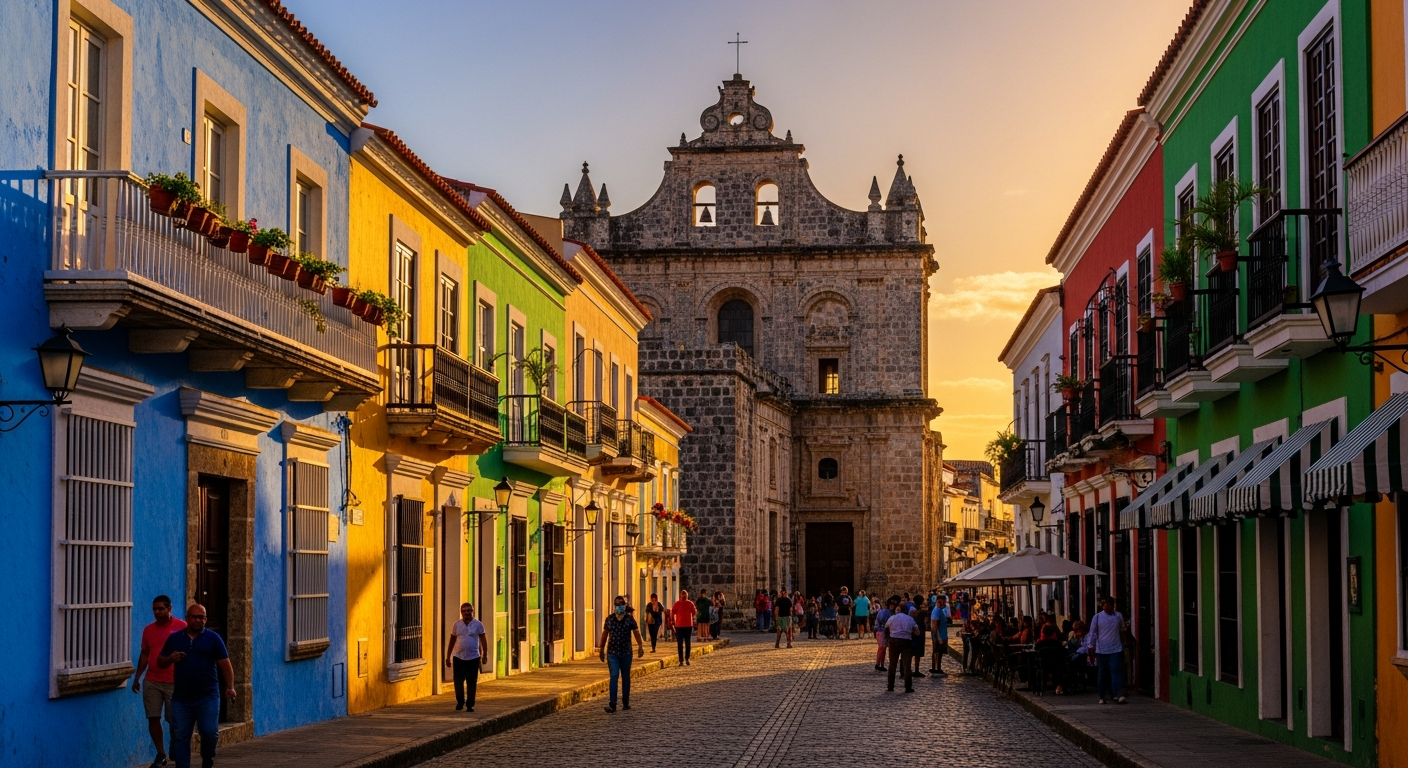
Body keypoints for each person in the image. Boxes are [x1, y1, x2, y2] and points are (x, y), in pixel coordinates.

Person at [158, 604, 234, 768]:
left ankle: (208, 760)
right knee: (181, 736)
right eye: (194, 616)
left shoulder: (213, 638)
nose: (197, 620)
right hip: (181, 699)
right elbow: (160, 661)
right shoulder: (175, 638)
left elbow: (225, 664)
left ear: (205, 620)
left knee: (209, 732)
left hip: (208, 697)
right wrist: (171, 658)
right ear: (187, 618)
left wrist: (230, 687)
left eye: (201, 617)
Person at [134, 595, 187, 768]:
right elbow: (145, 654)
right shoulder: (148, 630)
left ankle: (174, 745)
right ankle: (161, 753)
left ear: (169, 609)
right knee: (153, 717)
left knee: (174, 719)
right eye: (155, 609)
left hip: (174, 682)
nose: (157, 612)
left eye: (161, 609)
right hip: (152, 680)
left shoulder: (182, 627)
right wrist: (137, 677)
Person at [599, 595, 645, 712]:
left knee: (625, 677)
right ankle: (612, 703)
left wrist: (640, 646)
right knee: (614, 676)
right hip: (612, 653)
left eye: (621, 604)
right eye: (617, 604)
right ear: (614, 606)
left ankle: (625, 702)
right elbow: (605, 634)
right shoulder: (609, 619)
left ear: (624, 605)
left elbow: (636, 632)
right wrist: (601, 648)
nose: (619, 606)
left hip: (626, 653)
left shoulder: (629, 619)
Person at [443, 602, 487, 712]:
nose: (466, 613)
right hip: (458, 657)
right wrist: (448, 656)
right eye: (464, 611)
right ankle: (460, 702)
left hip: (473, 657)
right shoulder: (457, 625)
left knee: (471, 682)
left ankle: (470, 704)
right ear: (461, 612)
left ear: (472, 611)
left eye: (469, 611)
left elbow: (483, 639)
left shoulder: (478, 625)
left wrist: (485, 654)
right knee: (458, 681)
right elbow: (452, 641)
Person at [1084, 597, 1128, 704]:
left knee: (1116, 671)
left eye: (1110, 605)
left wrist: (1125, 643)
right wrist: (1091, 646)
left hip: (1115, 648)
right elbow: (1093, 632)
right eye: (1106, 604)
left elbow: (1122, 629)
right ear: (1103, 605)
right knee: (1102, 673)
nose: (1108, 607)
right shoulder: (1098, 617)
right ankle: (1102, 695)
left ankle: (1118, 693)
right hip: (1101, 650)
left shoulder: (1118, 616)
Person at [883, 598, 917, 693]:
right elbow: (917, 632)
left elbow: (886, 629)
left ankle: (890, 686)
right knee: (907, 665)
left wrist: (888, 639)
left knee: (892, 664)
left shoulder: (892, 618)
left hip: (893, 641)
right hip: (906, 642)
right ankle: (908, 687)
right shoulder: (910, 619)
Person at [671, 589, 698, 665]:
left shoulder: (688, 603)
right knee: (683, 643)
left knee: (685, 642)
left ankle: (685, 659)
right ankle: (683, 659)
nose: (683, 596)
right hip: (681, 625)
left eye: (684, 595)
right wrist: (673, 621)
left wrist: (673, 620)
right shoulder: (683, 604)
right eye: (683, 595)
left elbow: (694, 612)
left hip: (685, 625)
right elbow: (694, 612)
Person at [929, 594, 951, 676]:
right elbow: (935, 625)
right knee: (937, 652)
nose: (945, 604)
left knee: (939, 652)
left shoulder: (940, 610)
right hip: (939, 635)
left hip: (942, 634)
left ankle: (938, 667)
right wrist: (938, 637)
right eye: (943, 602)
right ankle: (936, 668)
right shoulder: (937, 610)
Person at [873, 598, 894, 671]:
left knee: (883, 649)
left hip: (883, 631)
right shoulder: (885, 612)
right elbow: (882, 620)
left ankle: (881, 664)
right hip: (881, 631)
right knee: (881, 648)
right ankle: (878, 664)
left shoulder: (886, 611)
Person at [907, 602, 927, 678]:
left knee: (911, 654)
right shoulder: (919, 617)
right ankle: (916, 670)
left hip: (913, 637)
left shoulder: (912, 616)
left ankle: (909, 669)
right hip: (918, 637)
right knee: (916, 654)